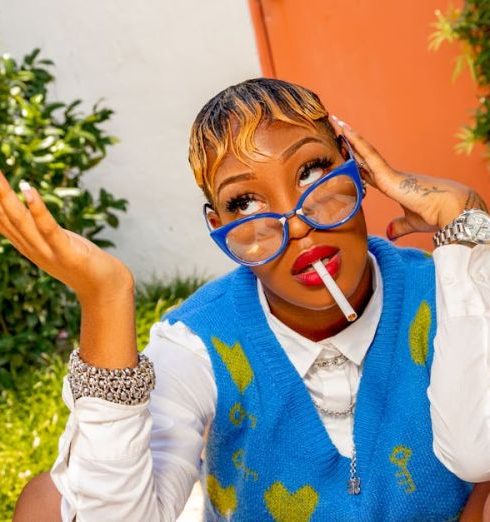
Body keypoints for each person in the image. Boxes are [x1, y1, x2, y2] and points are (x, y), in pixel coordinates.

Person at [12, 78, 490, 521]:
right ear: (219, 226)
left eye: (311, 171)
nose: (296, 223)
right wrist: (106, 297)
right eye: (245, 203)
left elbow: (479, 449)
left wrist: (467, 228)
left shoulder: (444, 291)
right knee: (47, 504)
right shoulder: (199, 341)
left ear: (357, 168)